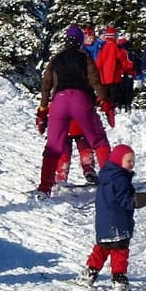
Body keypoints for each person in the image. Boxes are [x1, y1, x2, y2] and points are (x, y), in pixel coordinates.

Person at [34, 24, 113, 198]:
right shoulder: (84, 57)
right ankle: (112, 182)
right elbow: (95, 80)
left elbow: (46, 85)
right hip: (81, 100)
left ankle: (45, 187)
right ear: (79, 41)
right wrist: (104, 102)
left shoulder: (55, 59)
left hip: (59, 102)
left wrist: (42, 110)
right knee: (98, 140)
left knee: (53, 146)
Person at [73, 144, 146, 291]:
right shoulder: (120, 179)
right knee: (119, 251)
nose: (132, 164)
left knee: (102, 248)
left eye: (133, 161)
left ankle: (89, 273)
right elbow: (127, 200)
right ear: (119, 161)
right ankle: (119, 279)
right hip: (118, 222)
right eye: (128, 161)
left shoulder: (108, 176)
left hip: (104, 222)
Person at [95, 26, 134, 115]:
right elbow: (123, 60)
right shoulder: (116, 47)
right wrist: (130, 67)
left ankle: (105, 108)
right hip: (114, 76)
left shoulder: (103, 48)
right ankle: (114, 108)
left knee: (106, 93)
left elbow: (98, 63)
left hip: (104, 77)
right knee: (114, 94)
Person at [55, 115, 98, 186]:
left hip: (62, 124)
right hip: (80, 122)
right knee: (84, 147)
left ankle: (61, 176)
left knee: (64, 151)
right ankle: (89, 170)